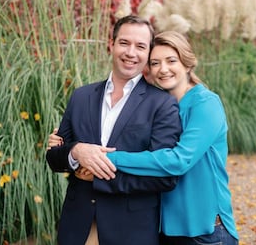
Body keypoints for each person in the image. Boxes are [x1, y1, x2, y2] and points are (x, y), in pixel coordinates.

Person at [49, 31, 239, 244]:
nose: (163, 69)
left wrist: (104, 159)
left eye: (171, 61)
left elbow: (179, 161)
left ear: (187, 63)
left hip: (204, 231)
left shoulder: (205, 103)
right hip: (166, 230)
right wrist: (72, 146)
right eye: (155, 63)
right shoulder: (161, 105)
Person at [46, 15, 182, 245]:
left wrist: (98, 175)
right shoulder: (81, 96)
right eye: (124, 43)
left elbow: (165, 177)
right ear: (111, 44)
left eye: (140, 46)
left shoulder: (162, 103)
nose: (131, 52)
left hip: (130, 231)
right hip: (77, 226)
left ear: (148, 53)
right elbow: (54, 157)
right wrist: (77, 151)